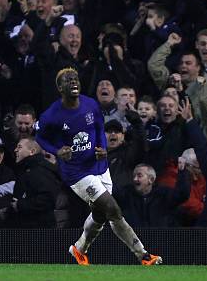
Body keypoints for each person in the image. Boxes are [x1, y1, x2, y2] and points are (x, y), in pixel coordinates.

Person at [35, 67, 161, 266]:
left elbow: (99, 128)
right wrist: (57, 150)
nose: (73, 82)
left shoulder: (90, 104)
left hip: (100, 166)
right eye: (68, 80)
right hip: (77, 173)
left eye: (75, 78)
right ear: (60, 87)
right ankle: (143, 255)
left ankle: (79, 249)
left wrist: (102, 147)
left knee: (100, 214)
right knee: (112, 209)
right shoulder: (52, 115)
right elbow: (40, 137)